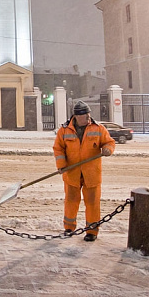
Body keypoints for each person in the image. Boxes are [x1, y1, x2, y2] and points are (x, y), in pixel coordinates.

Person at [53, 100, 115, 241]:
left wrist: (108, 149)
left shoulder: (98, 128)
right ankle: (69, 227)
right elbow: (58, 148)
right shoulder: (64, 130)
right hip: (72, 172)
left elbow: (109, 142)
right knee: (71, 201)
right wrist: (61, 164)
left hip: (91, 173)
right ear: (76, 116)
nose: (88, 118)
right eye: (85, 115)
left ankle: (92, 231)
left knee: (92, 203)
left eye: (88, 114)